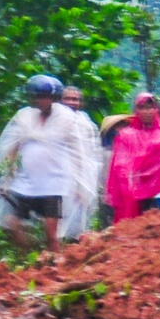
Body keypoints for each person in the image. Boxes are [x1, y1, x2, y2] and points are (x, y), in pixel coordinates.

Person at [0, 75, 96, 254]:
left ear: (54, 98)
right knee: (11, 225)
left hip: (54, 184)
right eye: (37, 96)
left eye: (44, 96)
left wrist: (79, 184)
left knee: (51, 234)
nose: (40, 100)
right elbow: (13, 148)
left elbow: (78, 152)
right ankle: (33, 255)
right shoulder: (25, 117)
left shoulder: (66, 119)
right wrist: (6, 178)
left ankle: (56, 269)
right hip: (25, 182)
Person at [106, 92, 160, 219]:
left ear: (156, 110)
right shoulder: (125, 136)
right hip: (134, 191)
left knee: (156, 224)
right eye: (142, 107)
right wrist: (129, 182)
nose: (146, 111)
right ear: (135, 110)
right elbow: (120, 165)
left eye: (150, 107)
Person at [58, 86, 104, 229]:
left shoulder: (86, 122)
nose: (71, 102)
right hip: (58, 174)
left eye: (75, 99)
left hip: (82, 175)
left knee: (78, 215)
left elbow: (93, 150)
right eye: (67, 98)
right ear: (60, 100)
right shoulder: (53, 119)